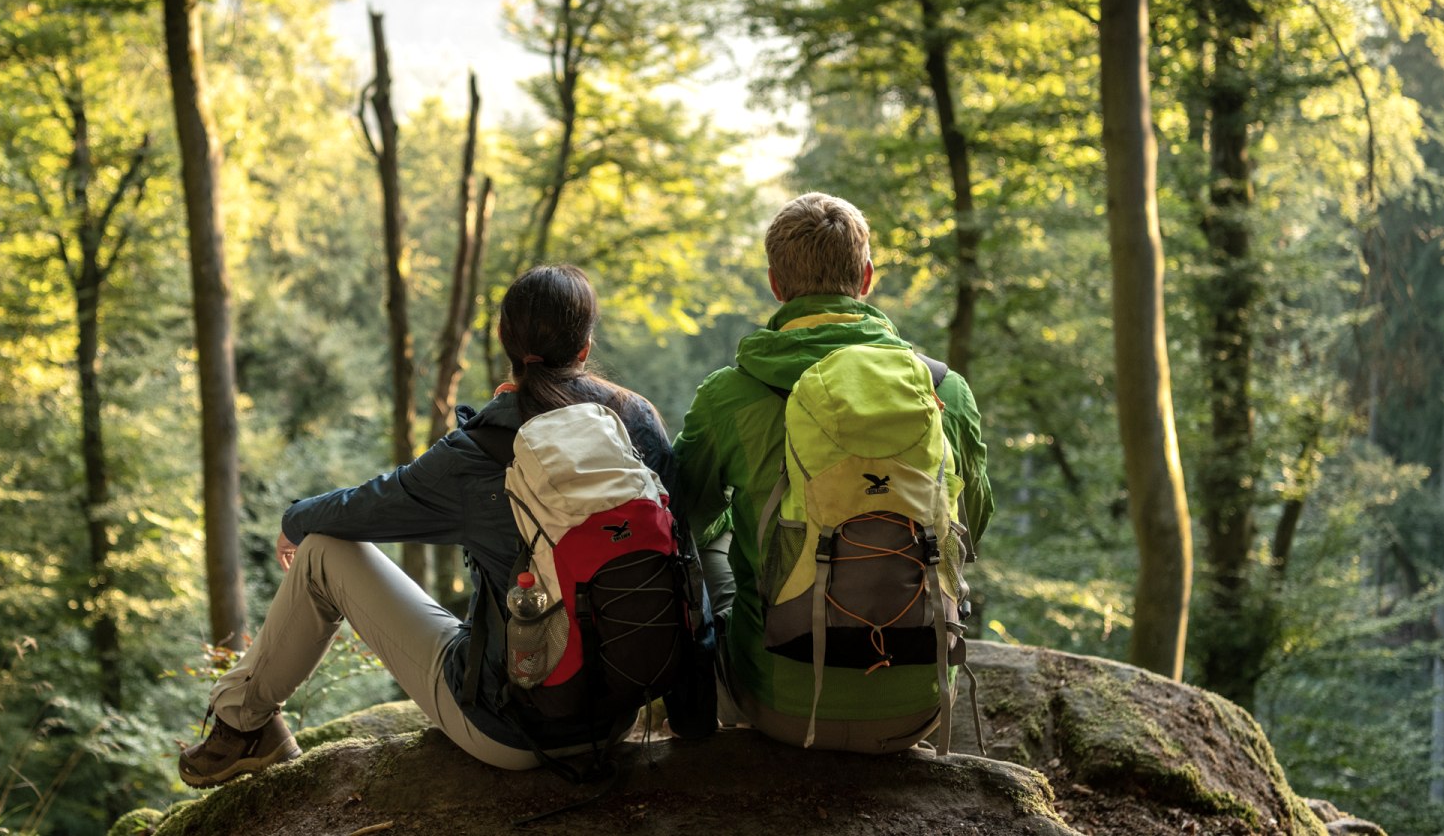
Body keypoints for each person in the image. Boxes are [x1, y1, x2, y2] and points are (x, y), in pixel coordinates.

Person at [179, 264, 679, 787]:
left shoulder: (477, 450)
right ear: (585, 347)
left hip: (510, 727)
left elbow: (364, 506)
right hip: (618, 712)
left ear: (506, 341)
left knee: (323, 551)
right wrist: (691, 717)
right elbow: (678, 556)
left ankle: (241, 727)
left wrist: (295, 519)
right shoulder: (634, 420)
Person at [671, 192, 993, 752]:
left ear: (776, 284)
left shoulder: (731, 394)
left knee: (717, 542)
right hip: (916, 708)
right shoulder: (942, 390)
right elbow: (975, 519)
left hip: (778, 706)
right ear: (866, 278)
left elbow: (685, 519)